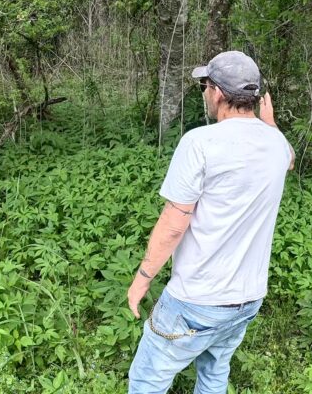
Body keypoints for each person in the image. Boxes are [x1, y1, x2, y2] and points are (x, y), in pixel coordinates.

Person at [126, 50, 294, 394]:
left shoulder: (199, 143)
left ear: (217, 93)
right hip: (247, 299)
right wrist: (271, 122)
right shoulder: (277, 144)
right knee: (214, 374)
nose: (204, 92)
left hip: (197, 299)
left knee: (147, 381)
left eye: (205, 84)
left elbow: (174, 223)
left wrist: (143, 278)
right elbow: (289, 159)